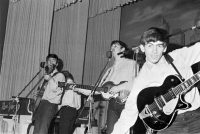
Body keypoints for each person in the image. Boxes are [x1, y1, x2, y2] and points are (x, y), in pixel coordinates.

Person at [111, 27, 200, 134]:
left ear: (165, 48)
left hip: (196, 116)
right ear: (142, 48)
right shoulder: (142, 79)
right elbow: (129, 112)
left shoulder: (179, 56)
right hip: (171, 125)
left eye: (159, 45)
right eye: (150, 46)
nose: (155, 51)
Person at [96, 40, 137, 134]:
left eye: (115, 46)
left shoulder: (132, 63)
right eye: (111, 46)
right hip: (112, 104)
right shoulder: (109, 70)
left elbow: (136, 82)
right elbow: (98, 89)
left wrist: (118, 88)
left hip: (127, 102)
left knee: (125, 131)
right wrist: (77, 88)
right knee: (110, 131)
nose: (112, 47)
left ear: (123, 49)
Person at [32, 54, 65, 134]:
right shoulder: (47, 75)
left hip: (50, 105)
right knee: (36, 128)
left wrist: (50, 79)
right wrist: (38, 93)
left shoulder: (60, 76)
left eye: (53, 61)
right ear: (46, 62)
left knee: (43, 129)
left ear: (57, 64)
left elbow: (57, 89)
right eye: (49, 60)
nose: (51, 62)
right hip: (41, 103)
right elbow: (44, 90)